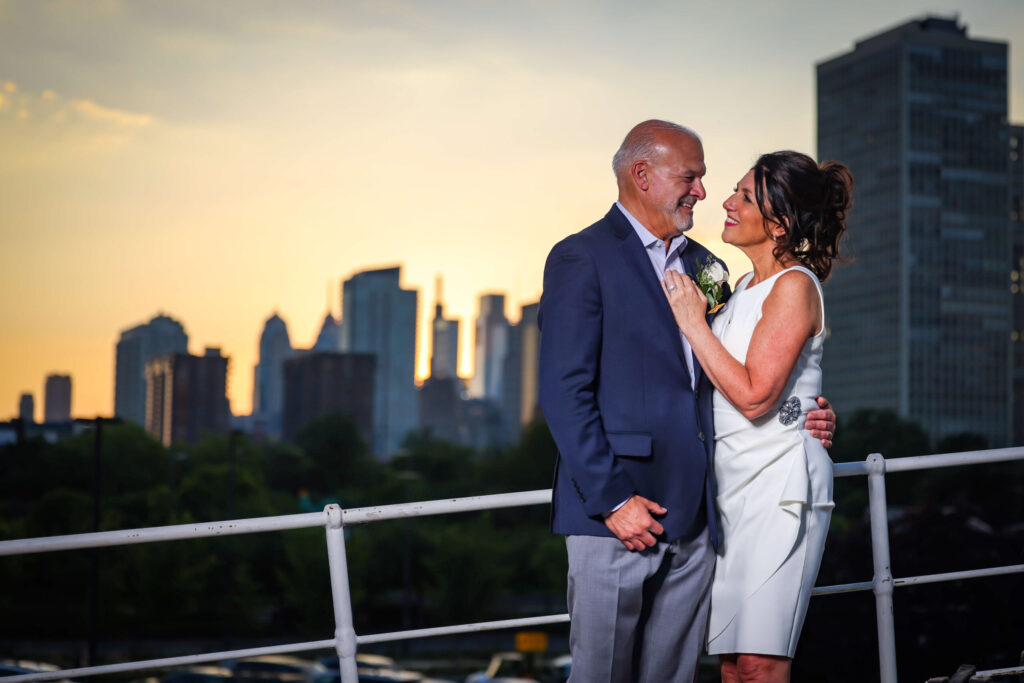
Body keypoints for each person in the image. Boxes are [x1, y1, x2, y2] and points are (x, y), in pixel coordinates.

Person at [537, 120, 836, 683]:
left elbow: (751, 371)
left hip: (702, 518)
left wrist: (803, 413)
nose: (704, 191)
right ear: (642, 175)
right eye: (691, 177)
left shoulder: (710, 267)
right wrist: (611, 500)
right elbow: (563, 392)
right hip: (617, 513)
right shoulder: (582, 256)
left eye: (709, 180)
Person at [663, 150, 852, 683]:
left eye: (744, 196)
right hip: (731, 486)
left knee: (761, 662)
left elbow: (752, 396)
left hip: (780, 485)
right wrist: (811, 406)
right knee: (730, 663)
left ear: (780, 222)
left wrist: (690, 320)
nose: (725, 202)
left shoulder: (794, 285)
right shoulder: (736, 288)